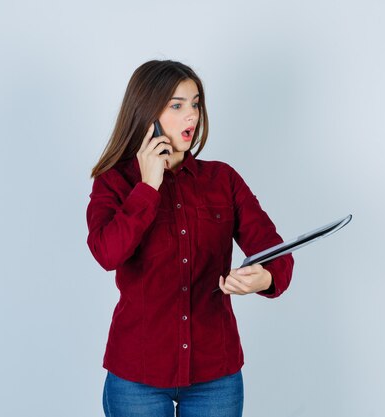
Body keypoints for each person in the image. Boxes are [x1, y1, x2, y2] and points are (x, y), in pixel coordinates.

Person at [86, 60, 294, 417]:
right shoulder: (115, 182)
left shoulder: (222, 180)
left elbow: (275, 250)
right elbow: (107, 253)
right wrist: (148, 186)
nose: (192, 116)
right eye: (177, 105)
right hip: (138, 375)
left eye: (195, 103)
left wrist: (267, 276)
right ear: (147, 112)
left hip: (216, 375)